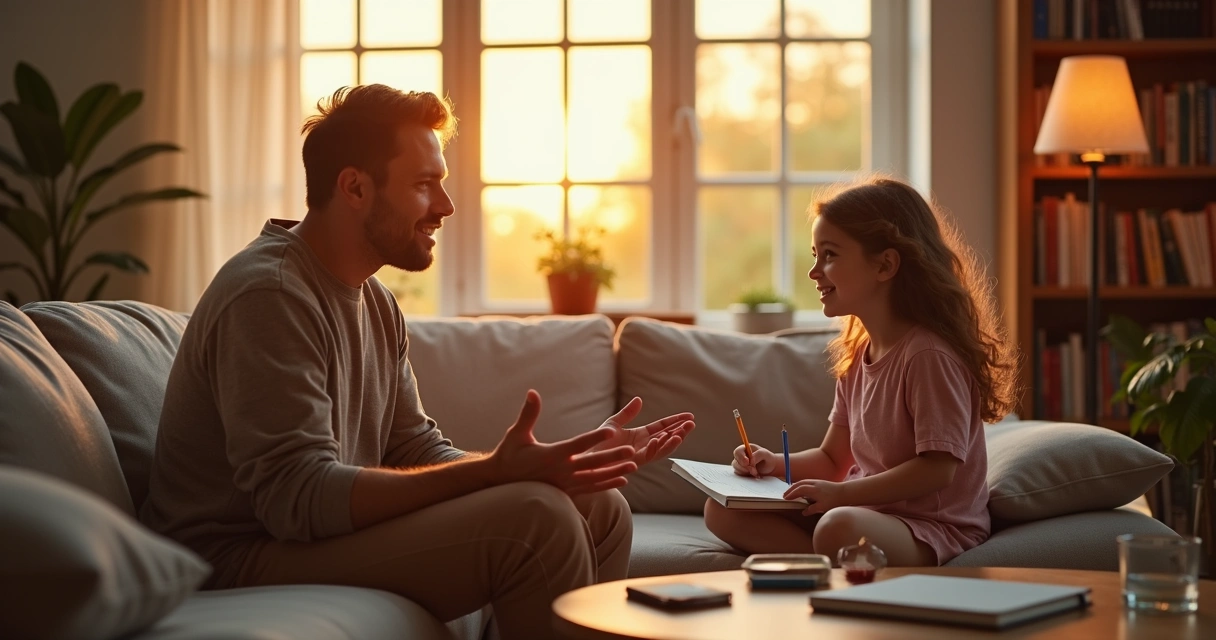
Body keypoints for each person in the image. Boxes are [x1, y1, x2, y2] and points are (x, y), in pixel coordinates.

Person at [141, 85, 695, 640]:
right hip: (236, 557)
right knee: (536, 522)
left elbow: (414, 449)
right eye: (424, 185)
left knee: (600, 504)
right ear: (355, 187)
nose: (446, 206)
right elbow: (297, 499)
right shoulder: (270, 294)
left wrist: (553, 463)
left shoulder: (375, 300)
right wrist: (496, 474)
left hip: (299, 541)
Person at [703, 176, 1018, 567]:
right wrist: (773, 463)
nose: (814, 272)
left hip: (930, 527)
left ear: (885, 264)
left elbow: (938, 470)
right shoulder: (857, 357)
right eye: (815, 255)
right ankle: (832, 570)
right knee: (722, 508)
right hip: (862, 513)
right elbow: (832, 459)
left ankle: (831, 566)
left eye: (830, 255)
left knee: (837, 527)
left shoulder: (928, 355)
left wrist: (843, 496)